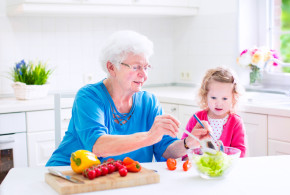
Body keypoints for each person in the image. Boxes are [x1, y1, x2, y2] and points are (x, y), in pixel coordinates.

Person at [46, 30, 208, 166]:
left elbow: (165, 151)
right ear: (111, 67)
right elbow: (99, 146)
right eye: (136, 67)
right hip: (69, 175)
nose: (144, 75)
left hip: (117, 180)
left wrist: (188, 143)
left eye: (146, 67)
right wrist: (149, 136)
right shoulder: (89, 97)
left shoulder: (149, 102)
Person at [181, 66, 246, 157]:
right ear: (205, 95)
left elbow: (240, 153)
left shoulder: (236, 122)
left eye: (224, 98)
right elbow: (185, 147)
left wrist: (223, 153)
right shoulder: (197, 118)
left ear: (233, 98)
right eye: (213, 98)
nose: (219, 103)